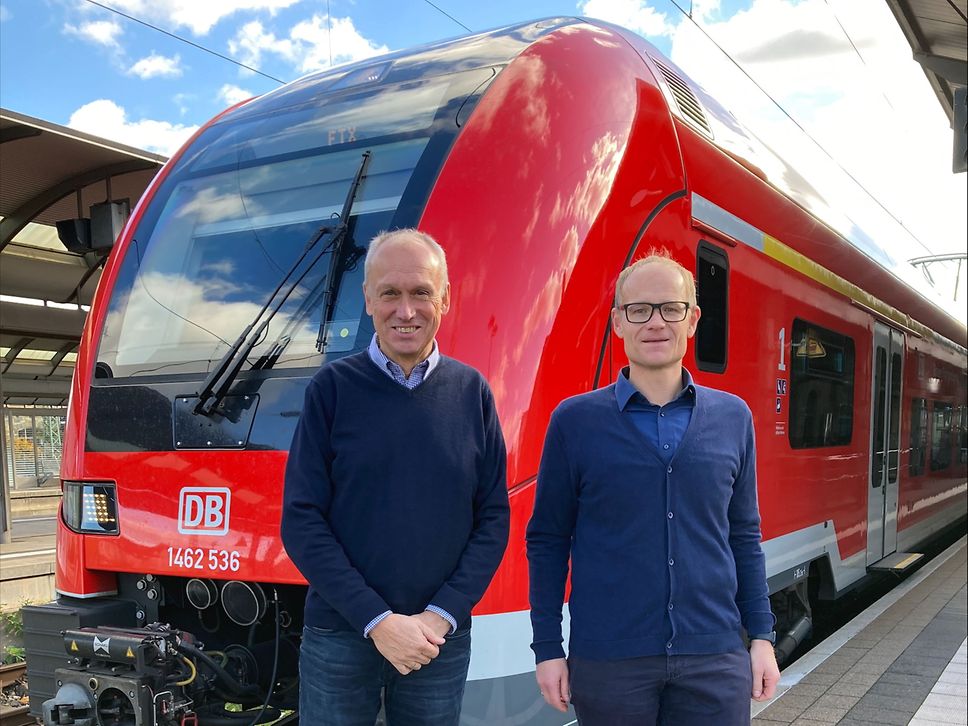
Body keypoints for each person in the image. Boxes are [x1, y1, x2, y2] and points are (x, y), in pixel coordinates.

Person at [526, 249, 779, 725]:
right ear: (618, 323)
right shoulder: (575, 422)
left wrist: (761, 637)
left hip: (714, 655)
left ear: (693, 318)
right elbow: (548, 541)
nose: (655, 322)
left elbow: (744, 535)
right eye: (638, 310)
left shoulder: (733, 417)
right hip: (609, 661)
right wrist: (547, 648)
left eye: (670, 308)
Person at [282, 228, 510, 725]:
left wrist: (440, 616)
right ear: (368, 300)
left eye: (421, 292)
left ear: (444, 299)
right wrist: (377, 621)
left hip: (438, 643)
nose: (406, 311)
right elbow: (301, 520)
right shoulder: (331, 390)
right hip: (341, 636)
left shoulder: (473, 393)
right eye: (390, 293)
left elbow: (492, 519)